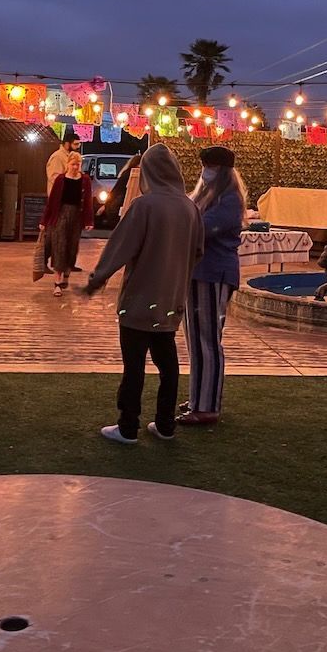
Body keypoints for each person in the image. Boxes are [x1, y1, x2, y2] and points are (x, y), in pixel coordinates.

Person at [85, 144, 203, 444]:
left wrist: (97, 279)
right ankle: (165, 425)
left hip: (138, 300)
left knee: (134, 366)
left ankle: (128, 426)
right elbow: (199, 251)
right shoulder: (190, 208)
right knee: (168, 364)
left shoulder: (144, 205)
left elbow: (119, 248)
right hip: (171, 299)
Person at [178, 146, 247, 426]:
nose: (205, 172)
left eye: (209, 167)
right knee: (197, 340)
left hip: (212, 274)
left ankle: (206, 406)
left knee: (206, 341)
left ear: (220, 171)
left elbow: (198, 227)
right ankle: (199, 396)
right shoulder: (212, 196)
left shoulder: (228, 200)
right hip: (201, 274)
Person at [42, 149, 94, 297]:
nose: (75, 167)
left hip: (76, 216)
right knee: (59, 246)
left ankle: (66, 273)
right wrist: (45, 220)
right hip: (61, 215)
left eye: (78, 164)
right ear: (67, 164)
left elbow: (88, 201)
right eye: (73, 164)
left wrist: (89, 220)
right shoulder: (60, 180)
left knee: (72, 248)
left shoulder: (85, 180)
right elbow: (52, 201)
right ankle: (57, 283)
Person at [45, 134, 82, 271]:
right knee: (53, 235)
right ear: (67, 143)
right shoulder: (57, 157)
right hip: (58, 203)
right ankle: (45, 262)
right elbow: (54, 178)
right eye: (76, 144)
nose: (78, 147)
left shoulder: (71, 157)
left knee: (69, 236)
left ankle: (67, 263)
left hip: (71, 203)